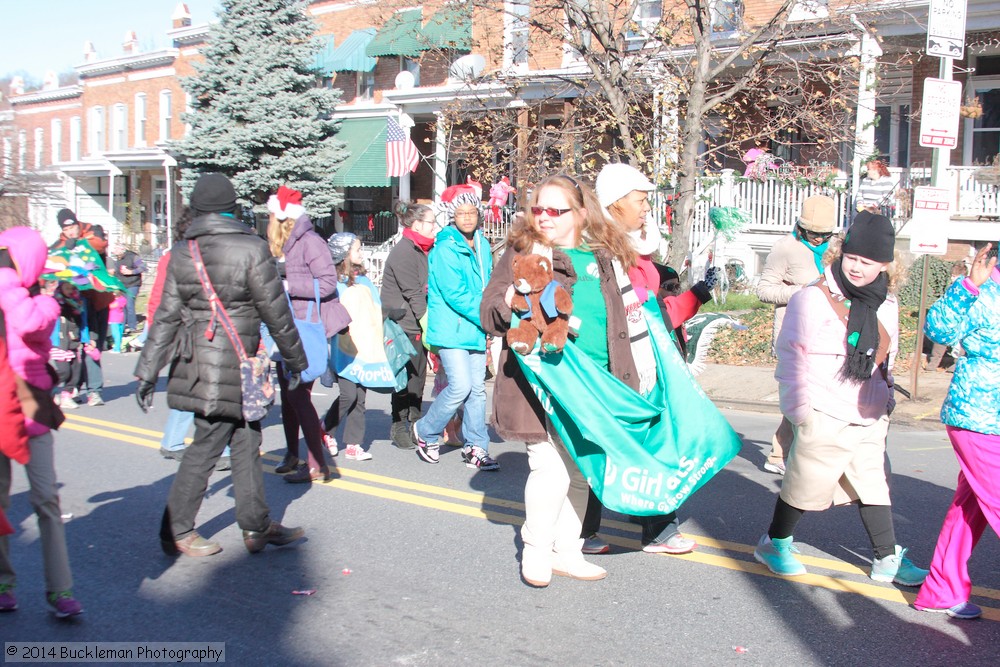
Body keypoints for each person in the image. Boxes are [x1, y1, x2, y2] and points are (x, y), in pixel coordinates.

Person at [134, 173, 308, 557]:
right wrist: (296, 359)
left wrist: (147, 371)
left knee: (247, 439)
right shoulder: (251, 248)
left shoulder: (183, 251)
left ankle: (256, 525)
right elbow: (276, 312)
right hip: (237, 360)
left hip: (197, 362)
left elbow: (165, 317)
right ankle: (175, 530)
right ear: (232, 208)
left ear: (197, 210)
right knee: (209, 444)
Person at [481, 173, 642, 586]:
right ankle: (536, 549)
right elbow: (490, 312)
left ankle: (567, 550)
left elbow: (623, 321)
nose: (544, 217)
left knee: (581, 470)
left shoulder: (603, 254)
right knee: (550, 468)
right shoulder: (524, 251)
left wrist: (629, 377)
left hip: (596, 382)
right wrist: (509, 301)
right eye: (538, 209)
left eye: (556, 210)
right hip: (542, 379)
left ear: (581, 213)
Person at [753, 212, 928, 587]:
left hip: (869, 407)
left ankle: (886, 559)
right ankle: (775, 542)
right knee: (805, 484)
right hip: (824, 406)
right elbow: (791, 356)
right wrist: (800, 412)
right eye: (852, 258)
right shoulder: (812, 298)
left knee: (873, 482)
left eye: (867, 262)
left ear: (884, 265)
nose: (857, 268)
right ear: (840, 253)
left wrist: (886, 395)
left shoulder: (886, 302)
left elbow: (887, 352)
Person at [574, 162, 706, 556]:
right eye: (640, 200)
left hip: (646, 361)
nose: (647, 207)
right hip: (615, 364)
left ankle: (658, 530)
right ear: (615, 204)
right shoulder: (600, 247)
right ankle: (584, 531)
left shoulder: (636, 242)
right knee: (599, 446)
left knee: (649, 444)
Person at [913, 243, 999, 621]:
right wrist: (967, 287)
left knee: (972, 506)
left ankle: (941, 590)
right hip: (978, 416)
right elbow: (938, 329)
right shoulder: (983, 290)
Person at [0, 226, 83, 618]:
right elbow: (32, 325)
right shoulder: (9, 285)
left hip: (28, 398)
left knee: (37, 498)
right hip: (15, 399)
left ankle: (44, 587)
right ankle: (48, 589)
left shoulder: (24, 291)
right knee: (43, 499)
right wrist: (50, 304)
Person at [266, 185, 350, 483]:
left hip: (306, 327)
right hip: (284, 325)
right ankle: (293, 454)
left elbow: (328, 283)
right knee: (289, 398)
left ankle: (317, 463)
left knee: (299, 396)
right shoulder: (284, 244)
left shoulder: (311, 242)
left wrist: (289, 286)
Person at [412, 187, 498, 471]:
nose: (467, 218)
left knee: (477, 391)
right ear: (452, 216)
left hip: (474, 328)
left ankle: (476, 446)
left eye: (472, 212)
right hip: (452, 328)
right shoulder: (445, 248)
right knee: (460, 386)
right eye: (461, 213)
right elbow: (456, 294)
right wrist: (488, 316)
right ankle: (426, 431)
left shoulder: (483, 245)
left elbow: (487, 284)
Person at [756, 195, 837, 475]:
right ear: (801, 228)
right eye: (813, 234)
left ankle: (786, 452)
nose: (818, 240)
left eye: (824, 235)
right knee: (802, 393)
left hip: (827, 332)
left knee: (814, 395)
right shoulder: (785, 248)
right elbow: (764, 290)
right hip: (794, 331)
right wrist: (804, 291)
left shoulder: (836, 249)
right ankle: (781, 454)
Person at [147, 208, 231, 471]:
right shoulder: (177, 258)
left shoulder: (195, 256)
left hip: (200, 330)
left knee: (193, 385)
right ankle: (220, 448)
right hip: (191, 331)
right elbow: (160, 299)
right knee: (207, 387)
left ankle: (172, 441)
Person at [323, 233, 396, 461]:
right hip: (345, 348)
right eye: (357, 250)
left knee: (360, 397)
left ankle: (354, 444)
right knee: (348, 394)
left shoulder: (363, 280)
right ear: (344, 255)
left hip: (366, 348)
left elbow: (374, 307)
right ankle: (325, 428)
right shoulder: (333, 282)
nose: (361, 253)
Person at [380, 201, 439, 450]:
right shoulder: (404, 251)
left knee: (418, 378)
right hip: (403, 323)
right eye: (431, 223)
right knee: (403, 378)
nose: (436, 227)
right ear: (416, 225)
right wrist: (428, 325)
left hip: (417, 322)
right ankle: (398, 425)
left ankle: (416, 423)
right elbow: (413, 293)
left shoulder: (425, 249)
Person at [925, 262, 968, 373]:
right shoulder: (951, 288)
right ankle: (934, 362)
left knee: (960, 342)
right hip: (947, 319)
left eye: (954, 276)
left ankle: (956, 363)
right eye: (952, 275)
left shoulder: (964, 288)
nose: (952, 278)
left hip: (959, 320)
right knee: (940, 340)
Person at [108, 243, 146, 333]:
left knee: (129, 304)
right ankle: (123, 325)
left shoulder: (133, 257)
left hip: (133, 284)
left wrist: (131, 271)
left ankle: (132, 326)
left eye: (116, 249)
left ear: (122, 249)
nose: (114, 251)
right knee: (122, 305)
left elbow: (143, 267)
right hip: (122, 285)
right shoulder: (116, 259)